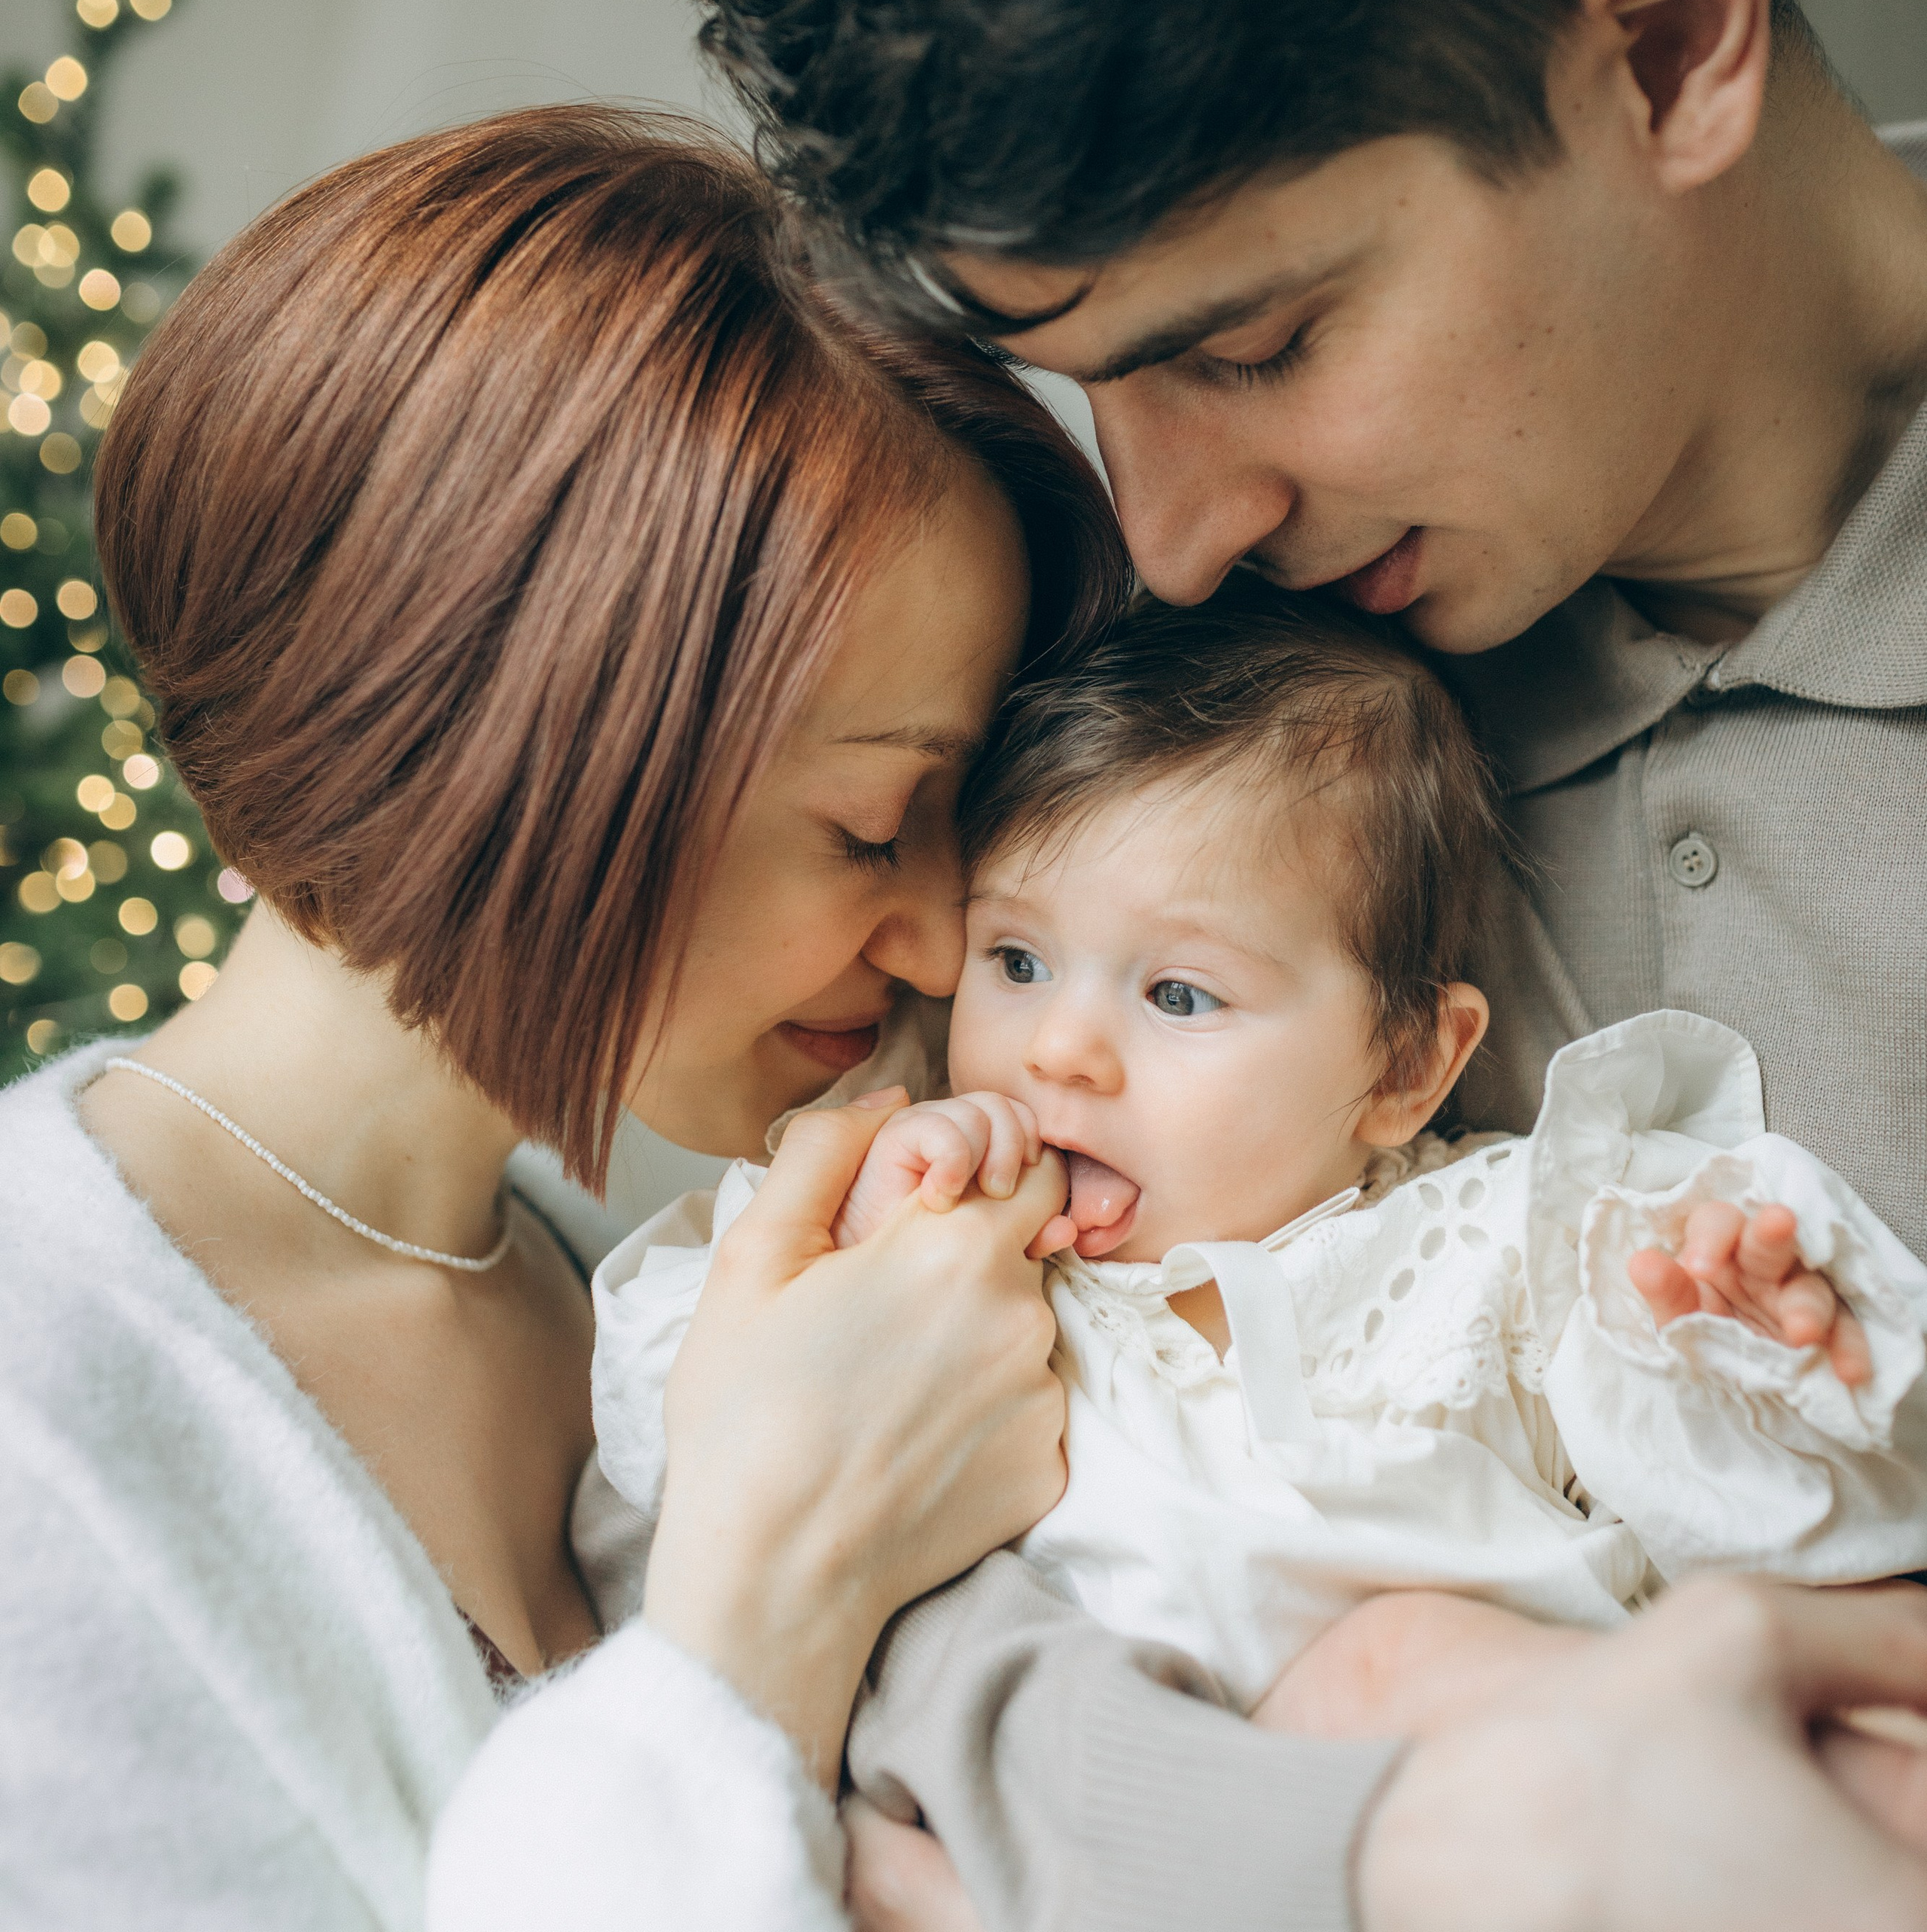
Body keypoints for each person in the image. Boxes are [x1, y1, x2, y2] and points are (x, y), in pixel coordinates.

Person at [685, 0, 1927, 1932]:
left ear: (1669, 43)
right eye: (1096, 378)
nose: (1185, 522)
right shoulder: (1195, 757)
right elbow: (913, 1583)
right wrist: (1381, 1898)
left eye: (1252, 342)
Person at [0, 102, 1136, 1932]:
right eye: (875, 821)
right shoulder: (46, 1415)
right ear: (527, 734)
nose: (933, 943)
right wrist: (756, 1620)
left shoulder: (627, 1290)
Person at [594, 582, 1925, 1713]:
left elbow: (1725, 1513)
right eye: (1015, 959)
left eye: (1177, 995)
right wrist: (861, 1255)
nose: (1058, 1048)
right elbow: (659, 1431)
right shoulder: (929, 1216)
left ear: (1402, 1066)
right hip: (1087, 1828)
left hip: (1511, 1783)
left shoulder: (1493, 1247)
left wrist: (1725, 1334)